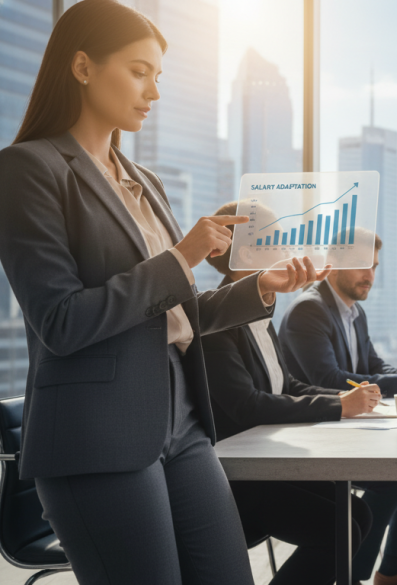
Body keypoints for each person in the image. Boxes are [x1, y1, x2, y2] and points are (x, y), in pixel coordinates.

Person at [0, 2, 326, 583]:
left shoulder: (144, 181)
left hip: (182, 421)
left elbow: (175, 313)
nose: (153, 90)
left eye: (158, 76)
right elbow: (61, 322)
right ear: (81, 66)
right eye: (138, 70)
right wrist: (182, 257)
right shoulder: (29, 169)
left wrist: (260, 287)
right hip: (98, 433)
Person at [201, 202, 380, 585]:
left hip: (270, 459)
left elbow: (287, 385)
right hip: (240, 477)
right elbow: (247, 406)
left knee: (359, 516)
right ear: (247, 252)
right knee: (340, 529)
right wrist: (337, 407)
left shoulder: (262, 311)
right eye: (277, 242)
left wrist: (348, 400)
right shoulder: (216, 321)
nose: (287, 251)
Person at [277, 236, 397, 585]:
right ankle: (351, 576)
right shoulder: (309, 309)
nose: (370, 274)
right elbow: (331, 379)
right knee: (393, 480)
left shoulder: (354, 311)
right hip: (313, 429)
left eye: (375, 266)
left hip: (349, 425)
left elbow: (373, 363)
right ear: (333, 262)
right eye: (363, 264)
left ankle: (392, 569)